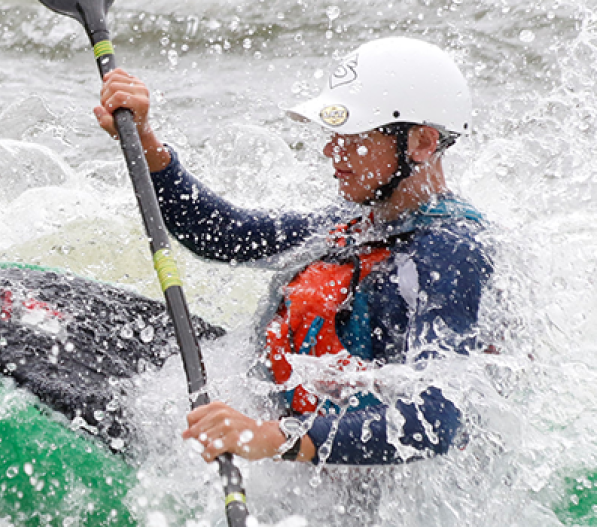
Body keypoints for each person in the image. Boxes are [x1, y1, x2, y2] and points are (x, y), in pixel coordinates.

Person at [93, 36, 492, 465]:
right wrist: (146, 141)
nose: (330, 150)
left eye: (352, 135)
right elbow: (223, 234)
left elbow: (437, 418)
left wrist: (273, 438)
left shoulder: (454, 254)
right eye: (333, 134)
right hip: (293, 456)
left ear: (423, 143)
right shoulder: (356, 222)